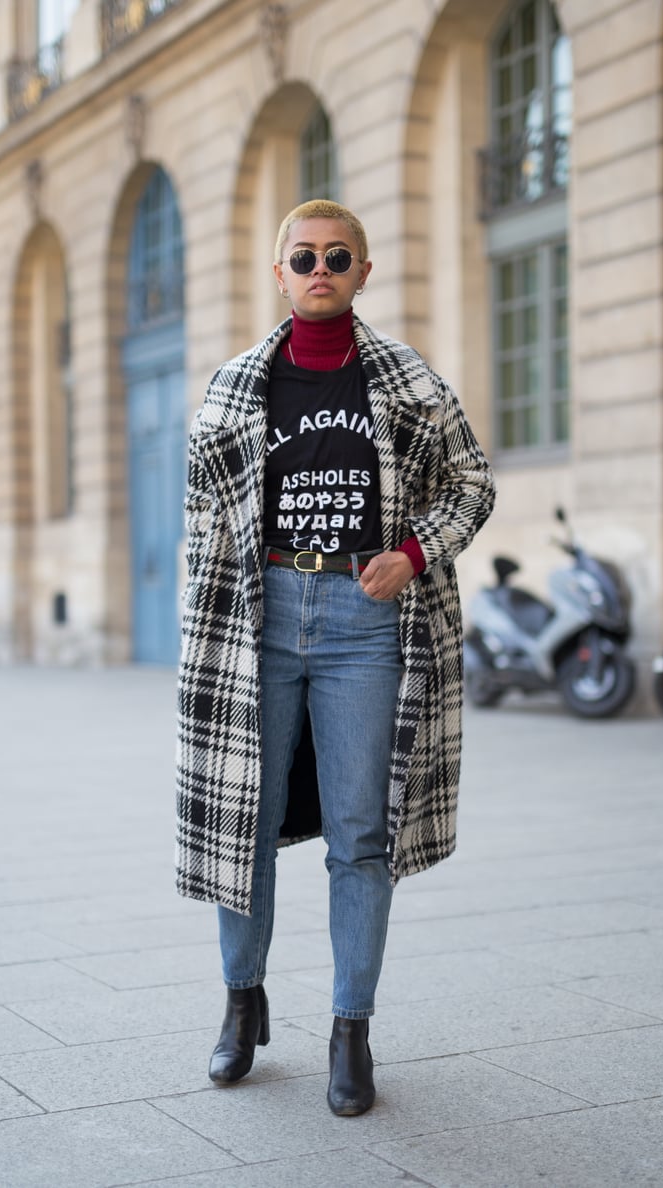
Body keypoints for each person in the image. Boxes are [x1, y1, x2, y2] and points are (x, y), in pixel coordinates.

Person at [175, 199, 495, 1116]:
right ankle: (243, 1006)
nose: (321, 268)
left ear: (363, 271)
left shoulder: (406, 381)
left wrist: (417, 551)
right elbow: (202, 519)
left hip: (367, 618)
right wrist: (207, 625)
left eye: (338, 256)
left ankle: (351, 1029)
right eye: (304, 256)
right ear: (279, 273)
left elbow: (474, 482)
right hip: (260, 616)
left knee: (362, 835)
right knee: (249, 822)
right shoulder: (235, 385)